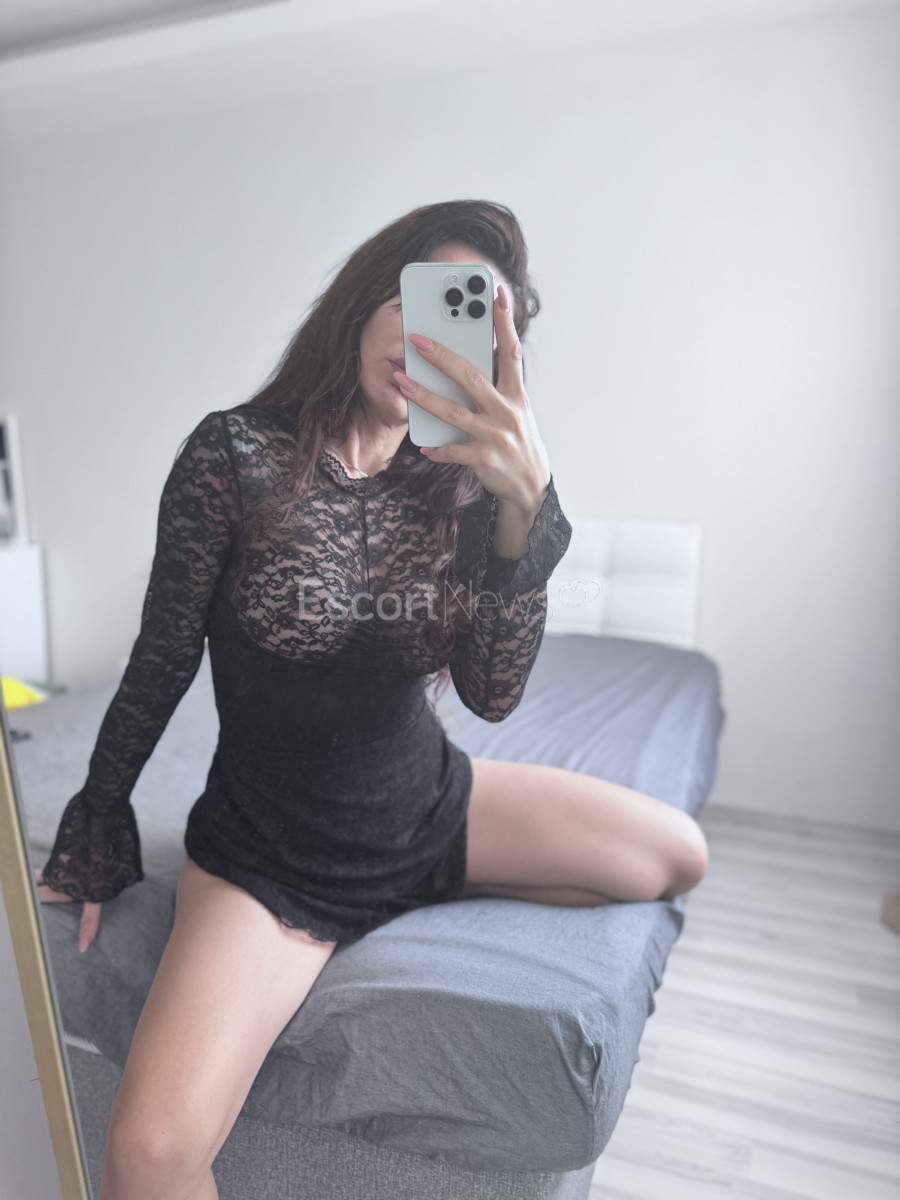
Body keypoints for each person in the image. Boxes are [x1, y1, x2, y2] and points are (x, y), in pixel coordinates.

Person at [39, 199, 708, 1200]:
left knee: (677, 853)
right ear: (366, 298)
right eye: (418, 297)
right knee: (150, 1152)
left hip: (429, 807)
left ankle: (415, 893)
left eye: (464, 325)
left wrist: (523, 511)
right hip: (273, 860)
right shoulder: (234, 457)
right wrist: (99, 815)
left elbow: (490, 695)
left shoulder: (469, 486)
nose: (425, 339)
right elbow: (163, 652)